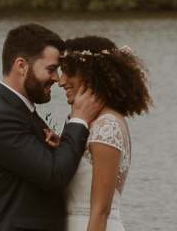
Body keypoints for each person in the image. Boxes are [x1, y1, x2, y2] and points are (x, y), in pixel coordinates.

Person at [0, 23, 102, 231]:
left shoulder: (16, 110)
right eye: (51, 69)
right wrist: (79, 120)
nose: (57, 79)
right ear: (21, 66)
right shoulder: (0, 117)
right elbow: (54, 175)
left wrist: (64, 142)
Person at [53, 36, 150, 231]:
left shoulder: (107, 126)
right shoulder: (89, 124)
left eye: (67, 72)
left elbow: (101, 212)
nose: (61, 82)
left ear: (90, 73)